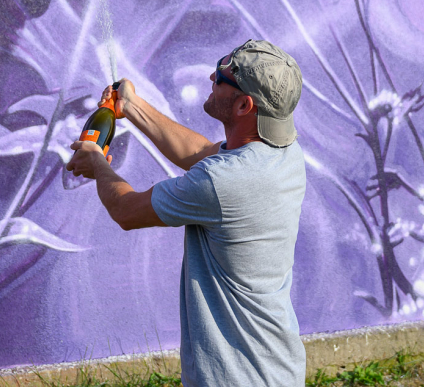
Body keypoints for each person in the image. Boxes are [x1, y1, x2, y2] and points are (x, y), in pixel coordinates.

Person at [66, 39, 307, 387]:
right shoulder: (284, 153)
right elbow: (199, 152)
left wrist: (95, 162)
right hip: (276, 370)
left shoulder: (221, 181)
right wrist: (131, 106)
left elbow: (126, 210)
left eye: (224, 75)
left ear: (243, 105)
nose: (212, 74)